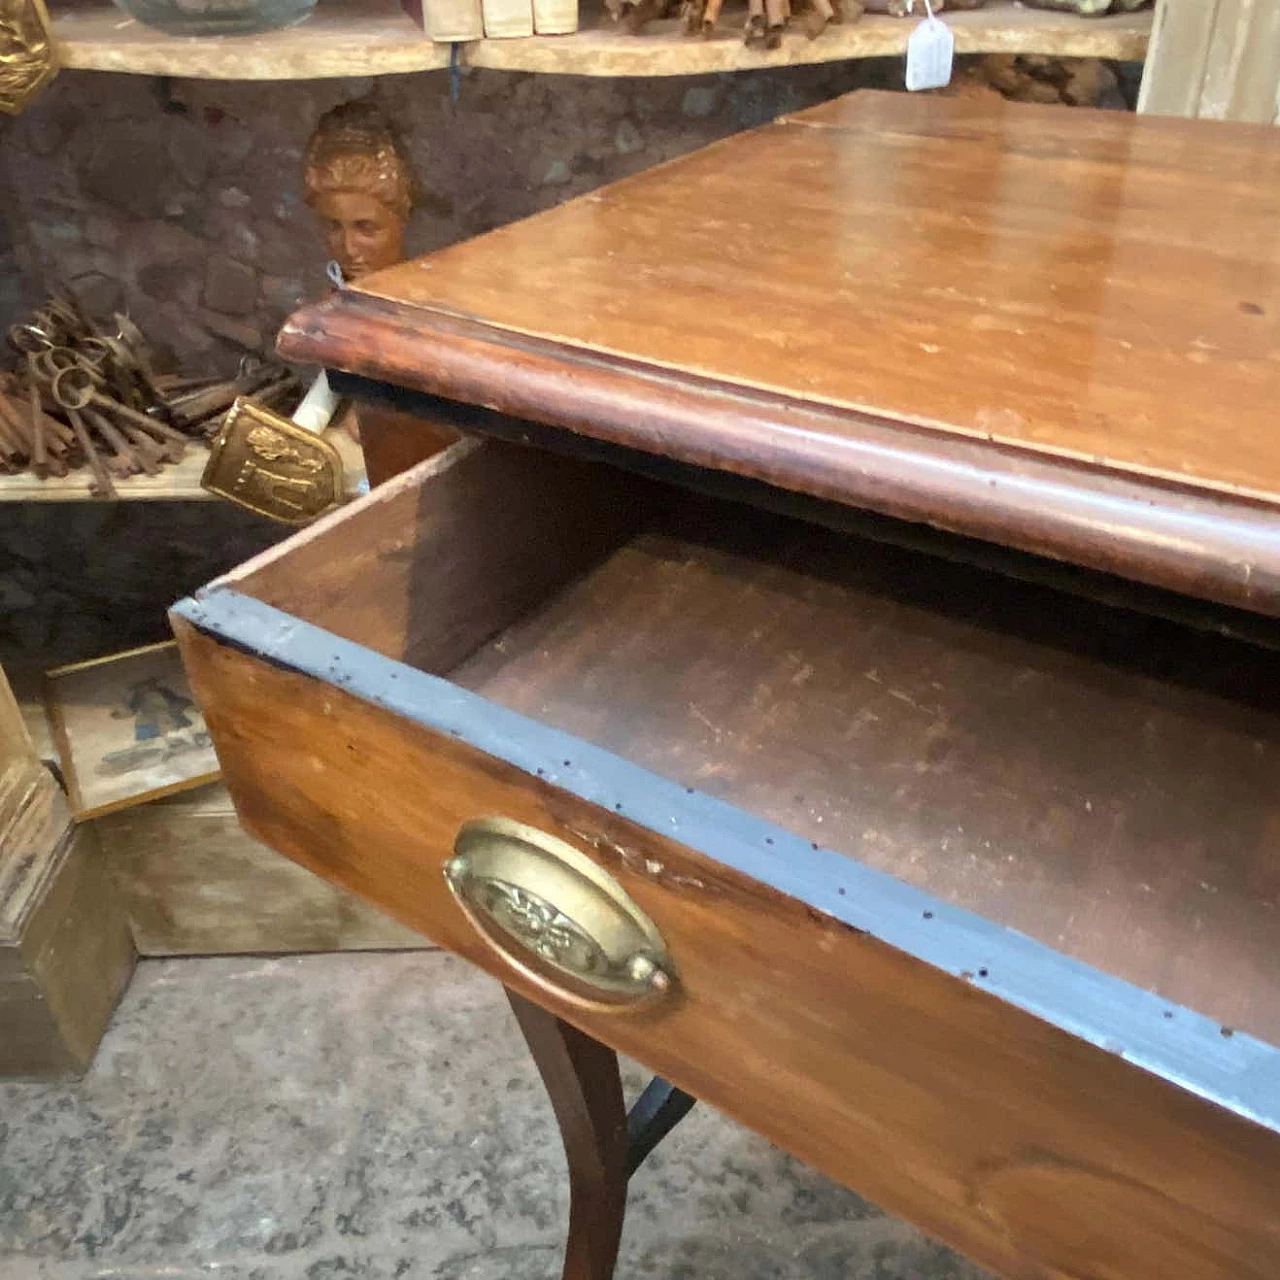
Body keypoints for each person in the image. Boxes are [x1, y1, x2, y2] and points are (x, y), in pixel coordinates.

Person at [302, 101, 415, 283]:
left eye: (366, 228)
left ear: (402, 219)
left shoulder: (434, 303)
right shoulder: (324, 308)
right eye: (334, 226)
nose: (349, 249)